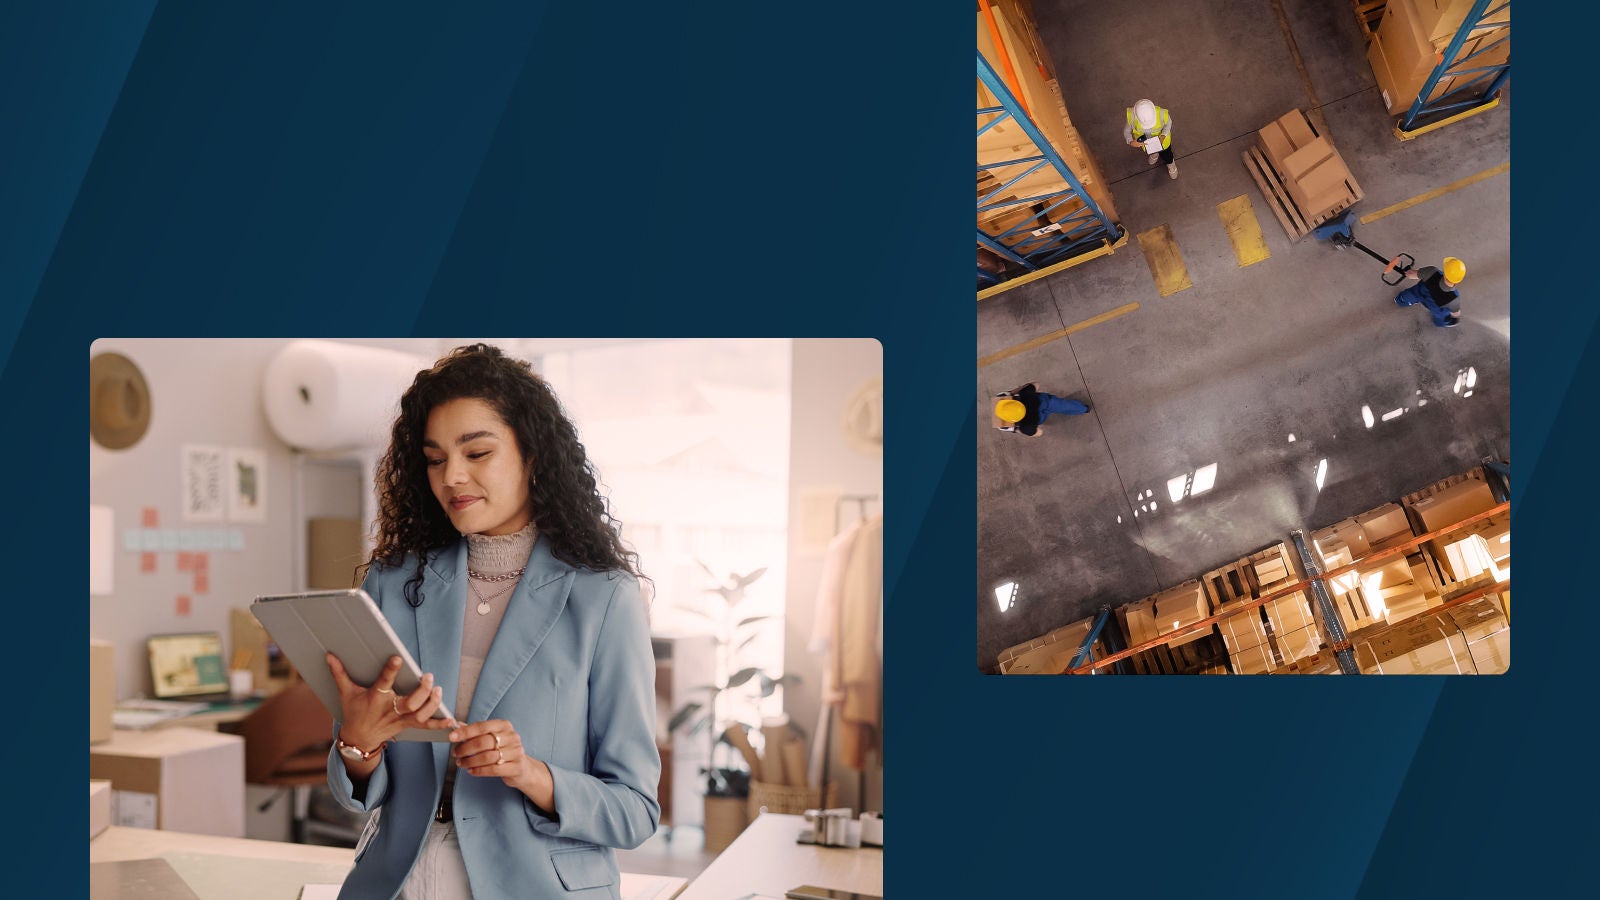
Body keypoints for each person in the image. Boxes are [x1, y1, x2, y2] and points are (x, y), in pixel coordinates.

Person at [324, 344, 659, 900]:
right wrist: (357, 745)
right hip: (399, 884)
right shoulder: (392, 583)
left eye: (477, 453)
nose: (452, 476)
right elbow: (352, 785)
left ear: (533, 456)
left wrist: (531, 772)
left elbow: (635, 811)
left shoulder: (605, 600)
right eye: (435, 459)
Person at [992, 383, 1091, 437]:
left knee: (1051, 411)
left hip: (1038, 419)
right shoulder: (1023, 394)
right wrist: (1013, 392)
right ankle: (1083, 409)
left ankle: (1082, 409)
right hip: (1044, 402)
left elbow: (1039, 433)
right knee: (1063, 405)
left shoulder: (1025, 427)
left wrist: (1016, 429)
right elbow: (1036, 384)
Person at [1394, 256, 1465, 328]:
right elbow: (1455, 312)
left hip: (1420, 292)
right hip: (1435, 307)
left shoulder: (1431, 271)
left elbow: (1411, 275)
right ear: (1458, 280)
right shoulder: (1454, 298)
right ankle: (1440, 323)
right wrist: (1455, 319)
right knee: (1442, 315)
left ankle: (1401, 300)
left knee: (1409, 295)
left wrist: (1407, 273)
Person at [1124, 98, 1176, 180]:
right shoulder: (1132, 117)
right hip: (1147, 144)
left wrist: (1163, 135)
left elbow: (1168, 124)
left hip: (1163, 141)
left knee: (1167, 154)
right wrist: (1130, 141)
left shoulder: (1162, 113)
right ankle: (1154, 154)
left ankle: (1170, 163)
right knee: (1151, 150)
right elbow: (1126, 131)